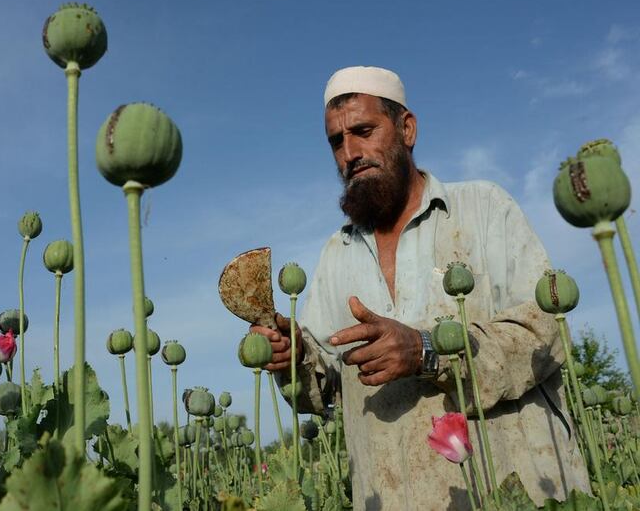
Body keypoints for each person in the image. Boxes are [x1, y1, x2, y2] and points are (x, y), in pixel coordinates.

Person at [251, 66, 590, 510]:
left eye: (363, 131)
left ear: (406, 128)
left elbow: (545, 332)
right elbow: (327, 387)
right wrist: (292, 356)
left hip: (513, 491)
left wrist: (427, 350)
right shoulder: (337, 253)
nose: (350, 152)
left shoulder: (484, 208)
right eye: (337, 141)